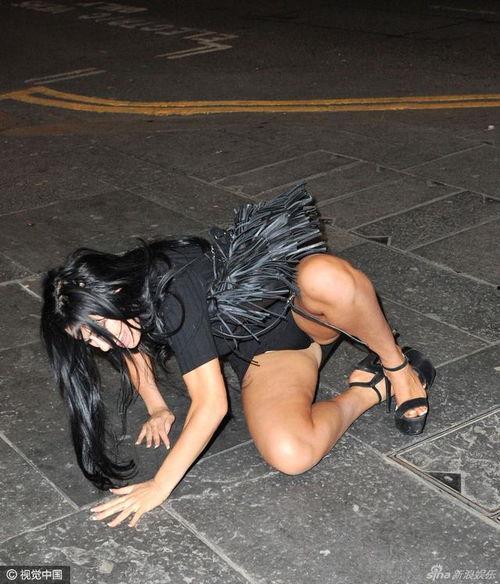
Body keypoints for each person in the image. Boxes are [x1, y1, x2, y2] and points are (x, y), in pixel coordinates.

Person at [40, 184, 435, 529]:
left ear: (110, 293)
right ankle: (369, 388)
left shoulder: (173, 285)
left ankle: (396, 365)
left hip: (307, 312)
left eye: (97, 331)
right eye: (89, 341)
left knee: (323, 274)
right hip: (272, 354)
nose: (102, 346)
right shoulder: (126, 296)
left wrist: (160, 485)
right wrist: (157, 406)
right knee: (291, 453)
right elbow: (130, 345)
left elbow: (211, 404)